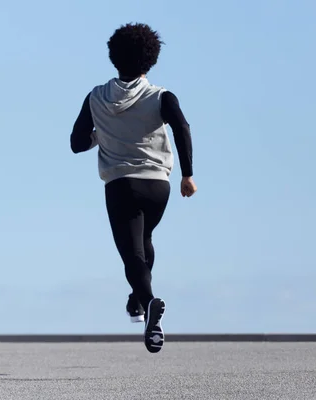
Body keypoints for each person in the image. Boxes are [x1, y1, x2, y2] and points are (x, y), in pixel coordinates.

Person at [70, 23, 197, 353]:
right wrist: (188, 174)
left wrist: (101, 134)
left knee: (132, 255)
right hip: (158, 186)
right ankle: (138, 300)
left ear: (114, 57)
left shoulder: (96, 97)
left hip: (121, 185)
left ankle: (148, 301)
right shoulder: (161, 96)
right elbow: (182, 127)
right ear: (150, 59)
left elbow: (75, 143)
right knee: (144, 241)